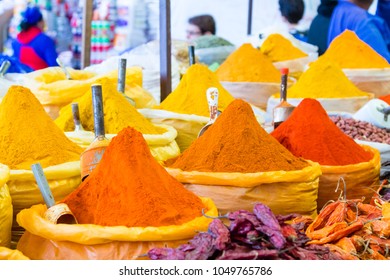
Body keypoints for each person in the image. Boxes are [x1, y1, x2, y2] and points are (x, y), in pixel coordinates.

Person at [12, 5, 58, 71]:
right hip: (43, 80)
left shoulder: (16, 41)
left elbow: (15, 65)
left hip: (23, 80)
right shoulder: (45, 40)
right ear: (39, 22)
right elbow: (55, 67)